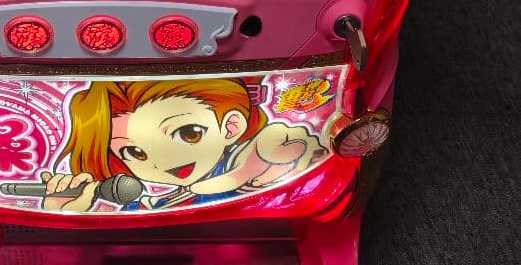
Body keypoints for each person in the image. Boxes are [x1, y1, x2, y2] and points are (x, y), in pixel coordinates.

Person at [39, 78, 326, 213]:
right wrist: (63, 211)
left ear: (231, 126)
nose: (162, 163)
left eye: (189, 134)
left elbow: (272, 153)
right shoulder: (147, 204)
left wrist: (271, 157)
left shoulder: (246, 162)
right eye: (134, 152)